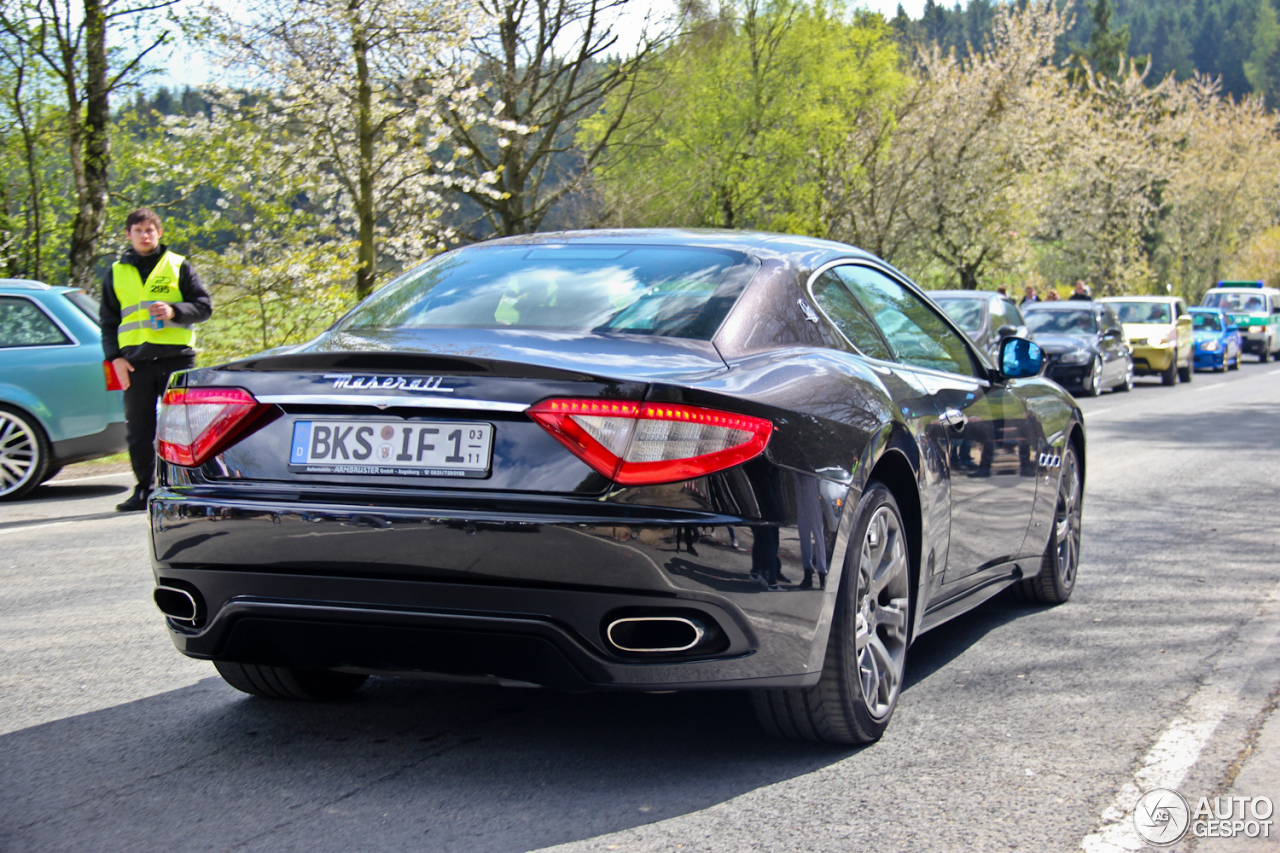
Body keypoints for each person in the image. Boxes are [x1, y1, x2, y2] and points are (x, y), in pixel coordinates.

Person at [101, 208, 212, 512]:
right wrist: (114, 359)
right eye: (138, 231)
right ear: (128, 235)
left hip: (176, 359)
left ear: (159, 233)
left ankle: (191, 488)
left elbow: (204, 307)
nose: (145, 236)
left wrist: (175, 311)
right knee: (139, 430)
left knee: (182, 427)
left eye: (150, 230)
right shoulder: (115, 272)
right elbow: (108, 322)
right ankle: (144, 490)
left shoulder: (178, 265)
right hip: (134, 362)